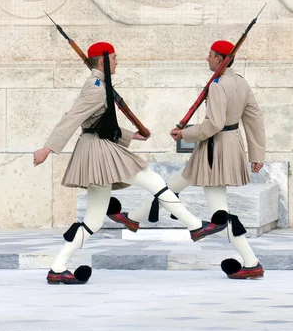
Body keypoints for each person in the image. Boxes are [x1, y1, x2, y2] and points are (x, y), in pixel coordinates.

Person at [33, 41, 227, 285]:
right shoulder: (95, 87)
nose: (117, 62)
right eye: (114, 58)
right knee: (153, 179)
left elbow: (99, 120)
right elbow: (72, 118)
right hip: (99, 149)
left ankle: (58, 267)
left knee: (93, 218)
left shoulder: (100, 84)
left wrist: (132, 135)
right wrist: (48, 149)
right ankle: (195, 226)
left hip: (97, 146)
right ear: (103, 61)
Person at [109, 40, 266, 280]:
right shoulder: (241, 83)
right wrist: (257, 154)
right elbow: (254, 119)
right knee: (174, 183)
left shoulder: (217, 85)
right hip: (227, 146)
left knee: (220, 212)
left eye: (211, 55)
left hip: (216, 149)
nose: (207, 58)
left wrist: (185, 134)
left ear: (221, 59)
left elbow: (214, 124)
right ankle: (134, 217)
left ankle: (251, 261)